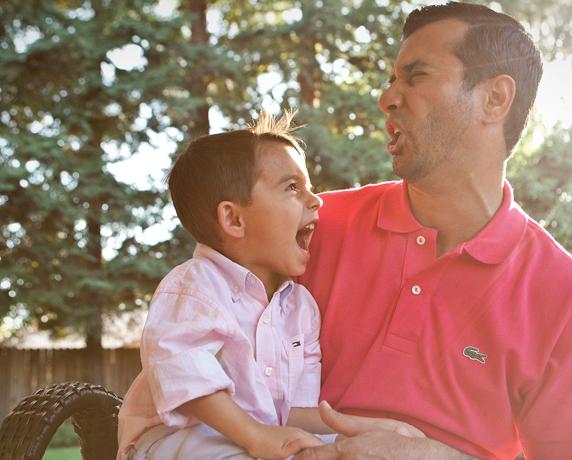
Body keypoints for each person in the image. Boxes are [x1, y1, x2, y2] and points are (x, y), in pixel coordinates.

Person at [297, 2, 572, 459]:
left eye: (416, 76)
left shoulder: (566, 294)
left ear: (494, 99)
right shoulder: (314, 224)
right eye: (391, 80)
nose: (387, 98)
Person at [116, 111, 425, 460]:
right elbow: (185, 379)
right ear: (234, 219)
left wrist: (361, 428)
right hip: (172, 439)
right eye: (293, 187)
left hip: (253, 440)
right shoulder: (193, 286)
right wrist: (253, 435)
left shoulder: (300, 308)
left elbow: (288, 412)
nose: (316, 200)